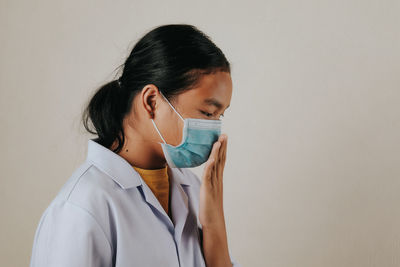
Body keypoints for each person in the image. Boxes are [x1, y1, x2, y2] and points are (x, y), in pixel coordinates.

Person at [29, 23, 240, 267]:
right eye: (207, 112)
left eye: (220, 116)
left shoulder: (193, 189)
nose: (215, 130)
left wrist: (213, 225)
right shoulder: (82, 207)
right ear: (151, 101)